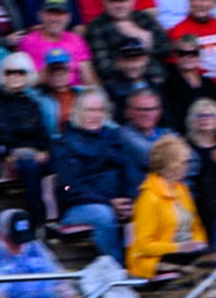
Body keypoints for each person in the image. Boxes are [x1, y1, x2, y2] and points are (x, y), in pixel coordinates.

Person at [51, 89, 135, 258]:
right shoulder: (64, 144)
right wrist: (109, 202)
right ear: (78, 112)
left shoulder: (116, 139)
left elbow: (130, 174)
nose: (95, 115)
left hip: (116, 203)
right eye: (90, 110)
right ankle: (116, 269)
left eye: (99, 110)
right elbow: (68, 187)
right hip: (78, 208)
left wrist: (129, 201)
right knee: (103, 215)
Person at [127, 133, 207, 277]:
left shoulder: (182, 190)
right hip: (157, 258)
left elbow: (197, 227)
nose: (188, 166)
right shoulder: (149, 197)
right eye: (185, 162)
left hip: (185, 253)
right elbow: (143, 246)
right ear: (172, 165)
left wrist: (198, 244)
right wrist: (179, 247)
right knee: (201, 268)